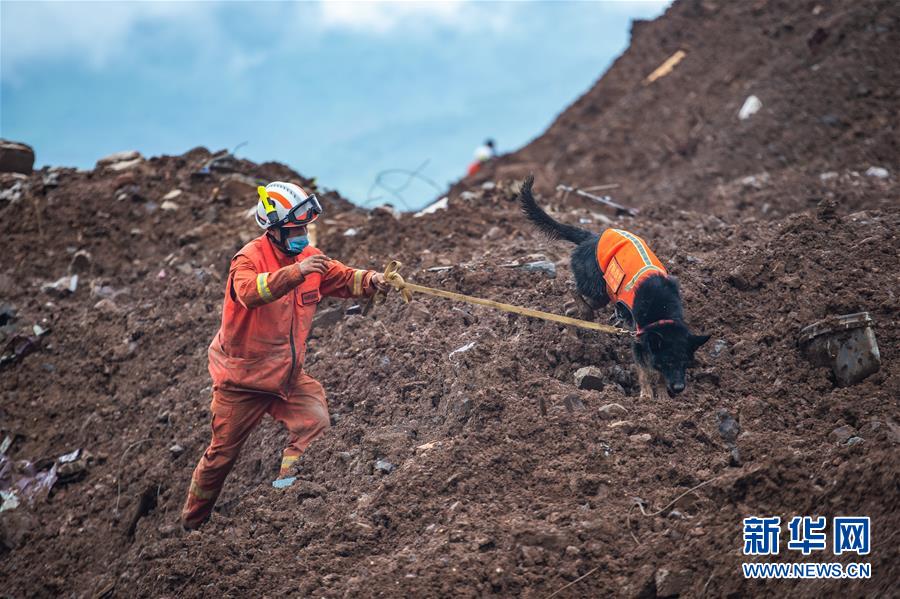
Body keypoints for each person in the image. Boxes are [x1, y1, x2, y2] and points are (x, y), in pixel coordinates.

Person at [181, 181, 389, 530]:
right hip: (242, 381)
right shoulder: (249, 259)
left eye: (304, 228)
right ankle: (192, 524)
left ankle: (286, 496)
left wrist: (373, 280)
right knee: (221, 456)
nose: (301, 236)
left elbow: (342, 278)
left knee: (314, 422)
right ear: (273, 229)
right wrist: (295, 274)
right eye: (294, 230)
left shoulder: (308, 258)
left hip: (286, 376)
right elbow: (249, 292)